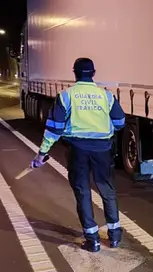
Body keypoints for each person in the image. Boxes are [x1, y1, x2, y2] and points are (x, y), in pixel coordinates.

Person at [31, 57, 126, 252]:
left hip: (78, 150)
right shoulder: (106, 96)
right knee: (107, 191)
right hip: (103, 150)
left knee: (82, 192)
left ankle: (92, 240)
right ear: (93, 73)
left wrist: (42, 154)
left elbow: (54, 129)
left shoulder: (66, 96)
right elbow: (120, 122)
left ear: (74, 73)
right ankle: (115, 236)